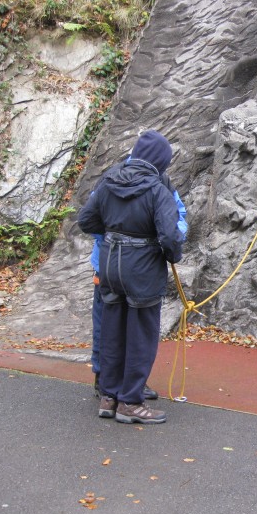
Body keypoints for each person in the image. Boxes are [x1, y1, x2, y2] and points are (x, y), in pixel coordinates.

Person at [78, 130, 184, 424]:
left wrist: (113, 234)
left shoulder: (109, 179)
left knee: (111, 331)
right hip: (142, 271)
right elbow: (170, 238)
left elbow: (86, 220)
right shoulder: (157, 189)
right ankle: (131, 402)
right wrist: (171, 255)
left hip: (110, 264)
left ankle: (109, 396)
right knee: (141, 335)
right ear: (160, 161)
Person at [88, 170, 187, 401]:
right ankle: (107, 382)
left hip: (114, 266)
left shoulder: (159, 181)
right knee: (117, 326)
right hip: (122, 268)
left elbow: (178, 216)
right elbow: (90, 219)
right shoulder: (114, 180)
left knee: (118, 326)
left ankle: (120, 386)